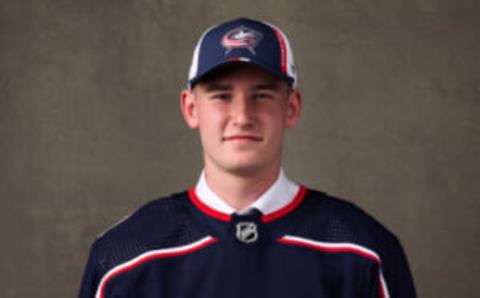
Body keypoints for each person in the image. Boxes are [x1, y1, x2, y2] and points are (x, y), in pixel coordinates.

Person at [79, 17, 416, 298]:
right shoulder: (125, 257)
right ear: (191, 108)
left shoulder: (362, 250)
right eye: (222, 95)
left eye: (262, 95)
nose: (242, 115)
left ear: (292, 107)